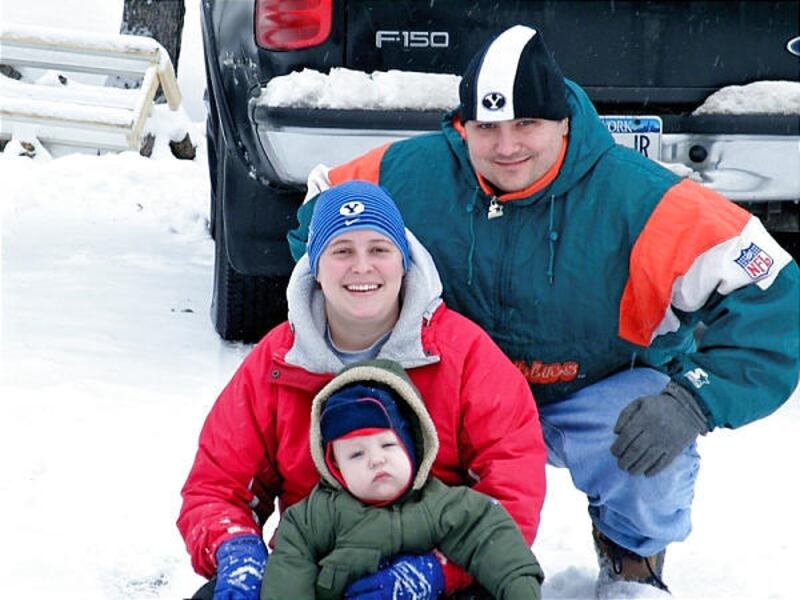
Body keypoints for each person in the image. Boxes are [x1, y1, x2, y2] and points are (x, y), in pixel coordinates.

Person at [289, 24, 800, 595]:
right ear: (463, 126)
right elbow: (320, 209)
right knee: (366, 424)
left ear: (563, 121)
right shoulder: (408, 173)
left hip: (595, 389)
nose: (506, 146)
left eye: (526, 123)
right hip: (455, 392)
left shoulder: (644, 197)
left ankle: (632, 556)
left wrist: (695, 400)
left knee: (651, 442)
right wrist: (367, 305)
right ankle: (401, 551)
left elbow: (774, 289)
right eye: (486, 128)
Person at [178, 180, 546, 600]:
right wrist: (236, 549)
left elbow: (512, 486)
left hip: (434, 569)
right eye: (341, 251)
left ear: (403, 261)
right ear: (316, 267)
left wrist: (440, 570)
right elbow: (216, 485)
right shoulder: (278, 361)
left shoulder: (465, 354)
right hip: (312, 572)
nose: (362, 266)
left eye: (379, 249)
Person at [261, 358, 544, 599]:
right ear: (334, 467)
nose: (376, 459)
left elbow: (498, 548)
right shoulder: (315, 518)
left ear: (413, 447)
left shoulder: (446, 506)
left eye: (387, 445)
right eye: (356, 454)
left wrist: (520, 590)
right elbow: (288, 576)